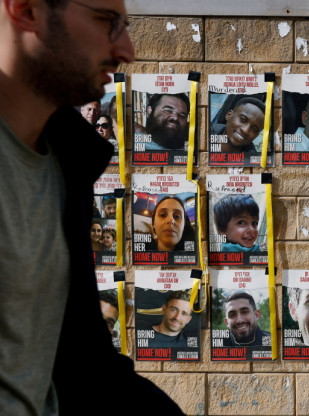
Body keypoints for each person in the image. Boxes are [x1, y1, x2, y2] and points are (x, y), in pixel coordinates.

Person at [0, 0, 182, 413]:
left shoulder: (68, 166)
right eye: (107, 21)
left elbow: (84, 365)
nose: (127, 50)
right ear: (27, 10)